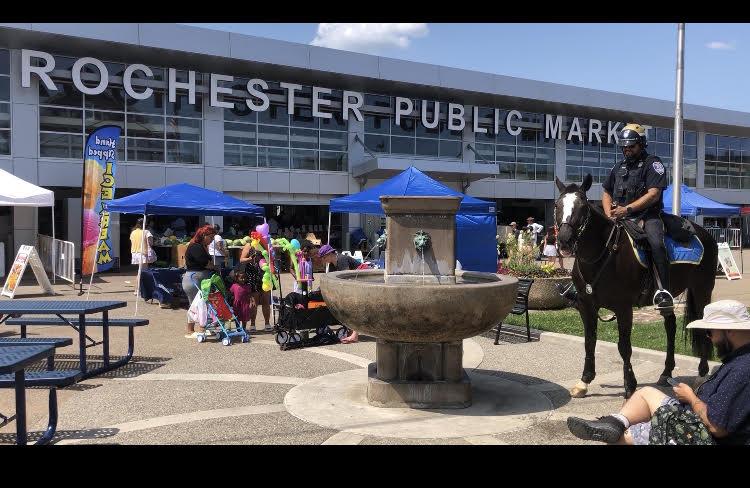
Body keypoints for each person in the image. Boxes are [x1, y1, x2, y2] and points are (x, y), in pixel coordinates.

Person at [567, 299, 750, 446]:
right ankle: (614, 423)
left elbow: (716, 427)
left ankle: (662, 288)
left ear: (730, 331)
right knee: (646, 392)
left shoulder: (741, 370)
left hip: (701, 434)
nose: (709, 338)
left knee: (619, 439)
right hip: (696, 420)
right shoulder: (739, 360)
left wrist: (691, 398)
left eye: (710, 332)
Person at [602, 123, 673, 311]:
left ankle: (663, 290)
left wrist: (628, 209)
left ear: (641, 144)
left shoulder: (653, 163)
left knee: (656, 244)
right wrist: (609, 212)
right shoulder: (618, 167)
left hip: (648, 216)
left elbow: (653, 194)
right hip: (619, 218)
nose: (627, 149)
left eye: (631, 146)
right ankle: (587, 287)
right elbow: (607, 192)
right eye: (624, 146)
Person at [318, 244, 360, 343]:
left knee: (353, 306)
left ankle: (354, 335)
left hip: (364, 282)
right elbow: (332, 281)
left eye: (324, 257)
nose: (323, 260)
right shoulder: (333, 264)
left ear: (329, 254)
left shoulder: (341, 259)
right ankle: (352, 330)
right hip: (355, 283)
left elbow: (346, 278)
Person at [182, 224, 217, 339]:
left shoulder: (202, 246)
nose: (212, 240)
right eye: (210, 237)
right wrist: (214, 267)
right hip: (194, 279)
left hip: (200, 278)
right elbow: (205, 263)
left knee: (203, 305)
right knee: (194, 305)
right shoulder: (196, 246)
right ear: (203, 235)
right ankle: (190, 331)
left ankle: (203, 328)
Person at [239, 235, 271, 332]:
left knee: (266, 300)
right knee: (254, 301)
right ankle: (253, 324)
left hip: (265, 275)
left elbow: (271, 259)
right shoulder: (249, 245)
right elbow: (241, 259)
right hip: (252, 276)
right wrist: (250, 259)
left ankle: (267, 323)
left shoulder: (266, 245)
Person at [130, 218, 156, 297]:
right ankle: (137, 290)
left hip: (135, 253)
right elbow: (150, 243)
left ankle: (138, 289)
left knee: (140, 271)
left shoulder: (133, 232)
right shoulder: (146, 232)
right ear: (145, 224)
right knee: (142, 272)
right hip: (143, 253)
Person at [229, 264, 255, 331]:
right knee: (236, 316)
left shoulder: (247, 286)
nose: (243, 279)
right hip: (236, 304)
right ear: (237, 278)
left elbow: (250, 294)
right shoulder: (234, 286)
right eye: (241, 278)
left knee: (244, 317)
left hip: (245, 304)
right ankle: (238, 328)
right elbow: (230, 293)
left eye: (244, 278)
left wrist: (252, 301)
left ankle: (244, 328)